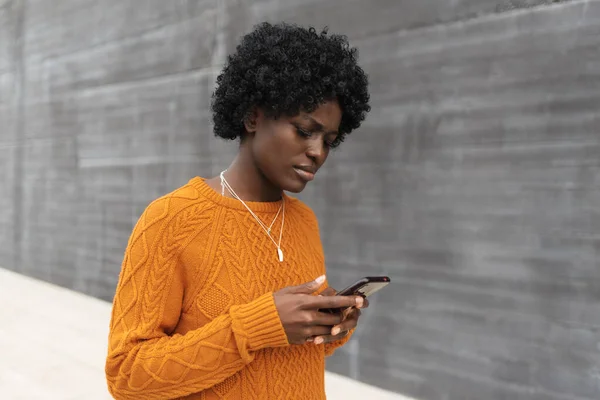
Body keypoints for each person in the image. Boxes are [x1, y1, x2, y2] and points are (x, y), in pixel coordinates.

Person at [105, 21, 371, 399]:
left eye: (329, 140)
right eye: (303, 130)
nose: (318, 152)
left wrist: (329, 325)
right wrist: (255, 326)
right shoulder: (172, 219)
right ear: (253, 117)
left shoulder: (303, 221)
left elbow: (291, 358)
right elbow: (126, 375)